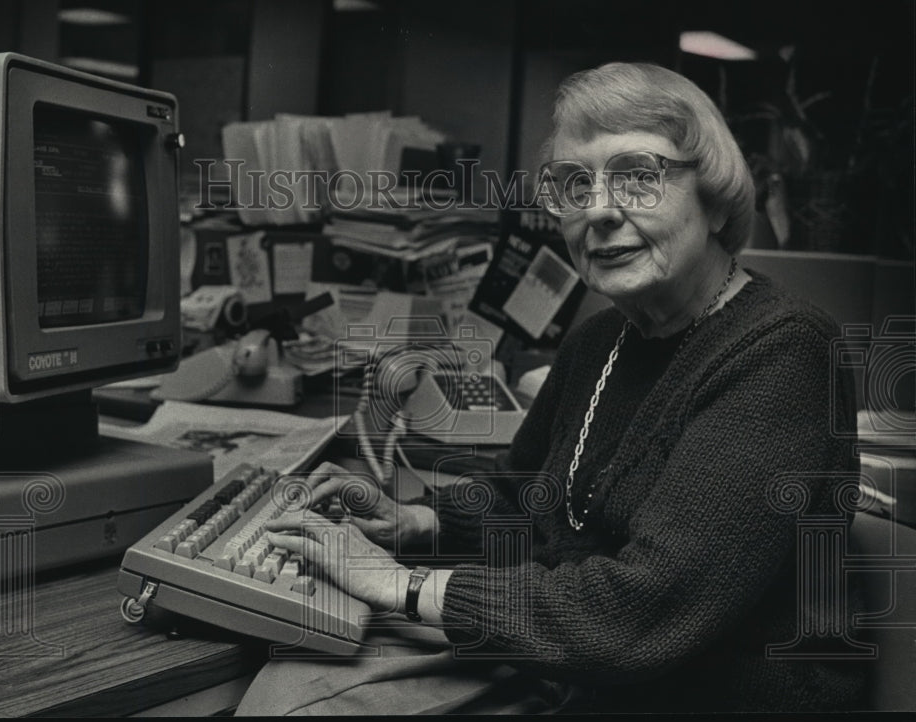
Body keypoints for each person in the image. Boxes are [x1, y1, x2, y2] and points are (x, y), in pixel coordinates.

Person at [237, 62, 867, 715]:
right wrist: (420, 521)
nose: (597, 210)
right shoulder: (600, 340)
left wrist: (401, 585)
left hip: (705, 695)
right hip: (577, 666)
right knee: (285, 680)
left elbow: (639, 613)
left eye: (636, 177)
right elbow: (534, 498)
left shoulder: (785, 353)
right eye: (573, 184)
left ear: (713, 197)